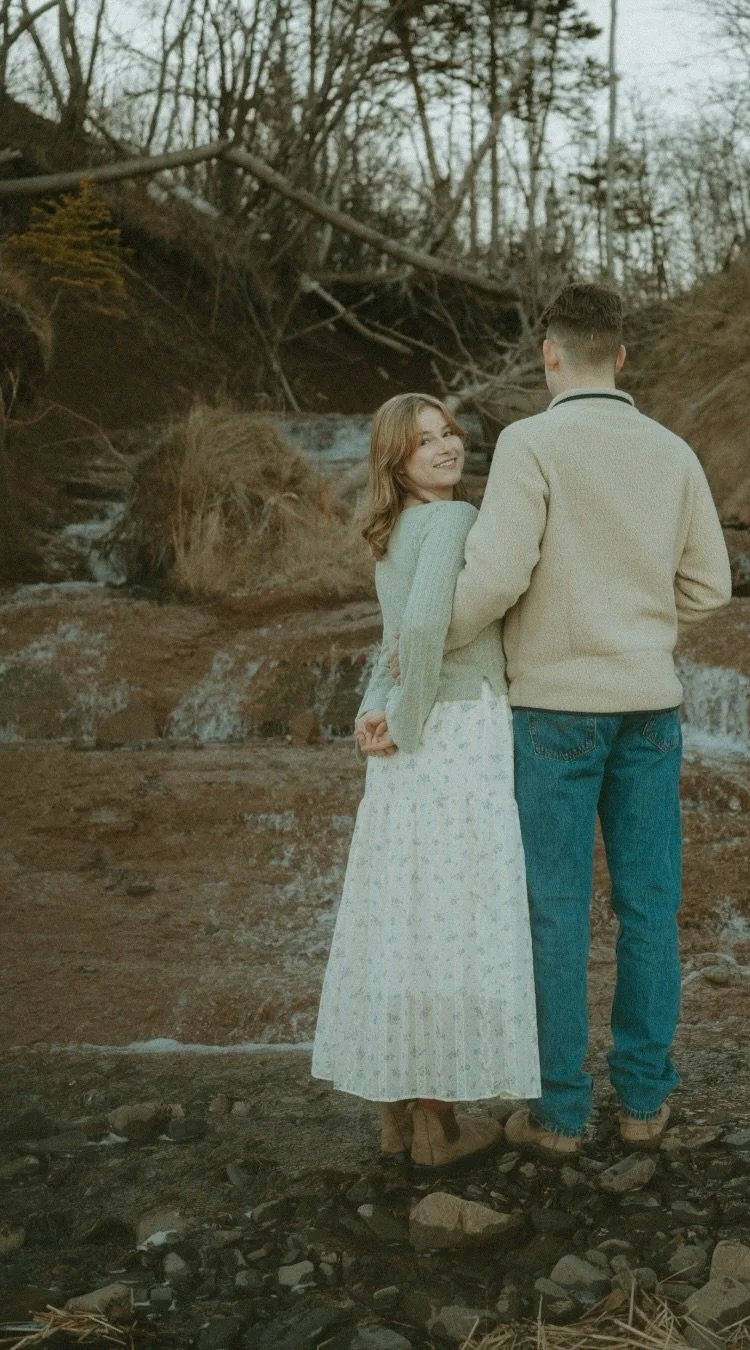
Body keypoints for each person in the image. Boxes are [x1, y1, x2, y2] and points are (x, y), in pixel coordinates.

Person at [441, 283, 732, 1156]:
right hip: (650, 708)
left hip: (555, 712)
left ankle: (561, 1114)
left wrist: (425, 635)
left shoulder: (532, 443)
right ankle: (645, 1105)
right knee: (650, 908)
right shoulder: (673, 450)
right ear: (624, 356)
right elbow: (710, 587)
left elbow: (492, 580)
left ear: (549, 354)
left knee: (555, 912)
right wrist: (640, 633)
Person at [310, 392, 541, 1169]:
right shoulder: (451, 521)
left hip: (412, 738)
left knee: (400, 915)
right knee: (454, 914)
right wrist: (406, 725)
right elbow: (420, 628)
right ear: (396, 461)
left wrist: (376, 711)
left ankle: (394, 1111)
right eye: (425, 442)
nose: (446, 448)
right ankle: (438, 1123)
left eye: (449, 433)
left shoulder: (393, 531)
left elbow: (394, 640)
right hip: (459, 730)